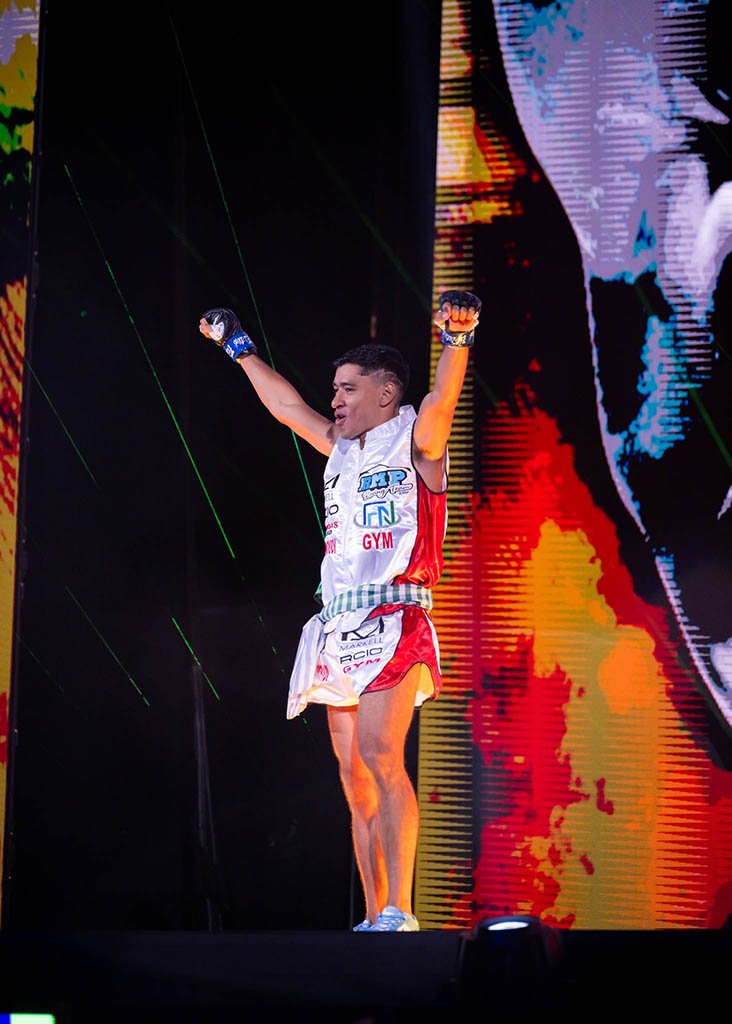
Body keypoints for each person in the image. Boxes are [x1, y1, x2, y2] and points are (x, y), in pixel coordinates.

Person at [198, 290, 481, 931]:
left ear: (385, 392)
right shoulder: (340, 449)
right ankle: (374, 915)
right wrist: (239, 347)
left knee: (383, 755)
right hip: (336, 625)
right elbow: (285, 405)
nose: (336, 400)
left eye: (348, 389)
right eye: (335, 390)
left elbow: (442, 399)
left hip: (395, 618)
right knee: (354, 782)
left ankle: (400, 910)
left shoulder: (417, 440)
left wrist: (457, 338)